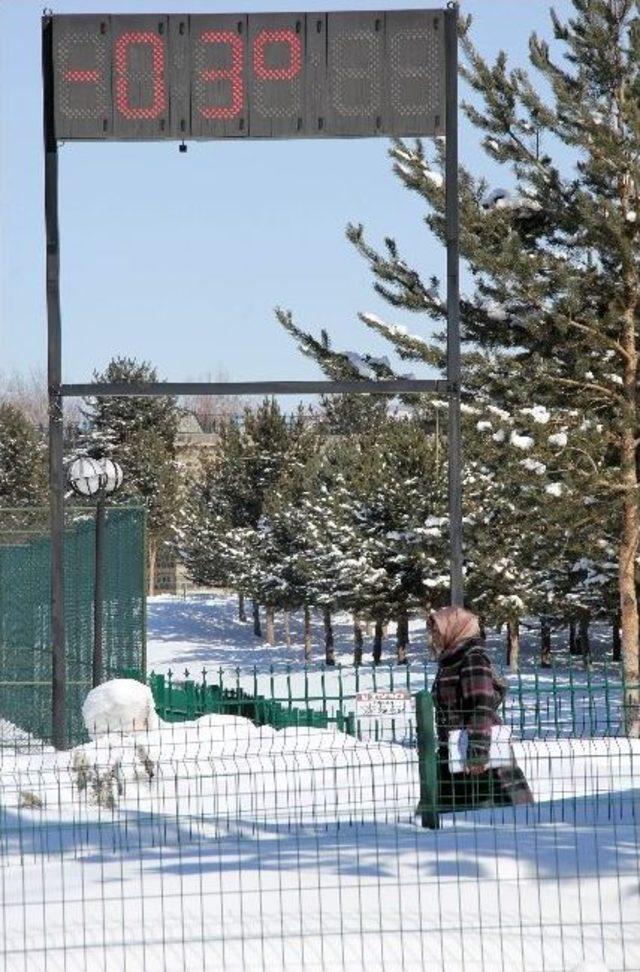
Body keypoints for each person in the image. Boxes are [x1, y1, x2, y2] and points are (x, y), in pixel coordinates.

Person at [428, 606, 533, 809]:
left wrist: (477, 753)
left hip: (478, 757)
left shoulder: (472, 659)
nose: (434, 637)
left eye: (437, 631)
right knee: (446, 829)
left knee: (495, 823)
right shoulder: (450, 662)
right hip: (455, 752)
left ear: (455, 628)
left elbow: (481, 706)